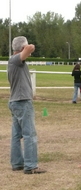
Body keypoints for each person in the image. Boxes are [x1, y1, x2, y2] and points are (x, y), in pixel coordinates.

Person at [7, 36, 46, 174]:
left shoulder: (15, 61)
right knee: (29, 134)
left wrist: (26, 48)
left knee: (16, 135)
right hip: (22, 102)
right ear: (22, 48)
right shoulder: (15, 60)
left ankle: (17, 163)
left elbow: (28, 49)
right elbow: (30, 48)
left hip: (15, 101)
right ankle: (31, 165)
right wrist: (28, 47)